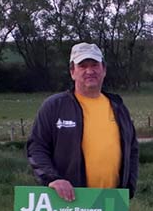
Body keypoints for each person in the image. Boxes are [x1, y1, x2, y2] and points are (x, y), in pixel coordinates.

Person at [27, 42, 139, 201]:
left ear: (104, 70)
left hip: (113, 201)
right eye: (82, 66)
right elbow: (37, 147)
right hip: (70, 202)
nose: (90, 71)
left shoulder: (118, 106)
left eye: (94, 65)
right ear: (72, 72)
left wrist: (129, 186)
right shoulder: (54, 106)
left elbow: (132, 149)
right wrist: (52, 178)